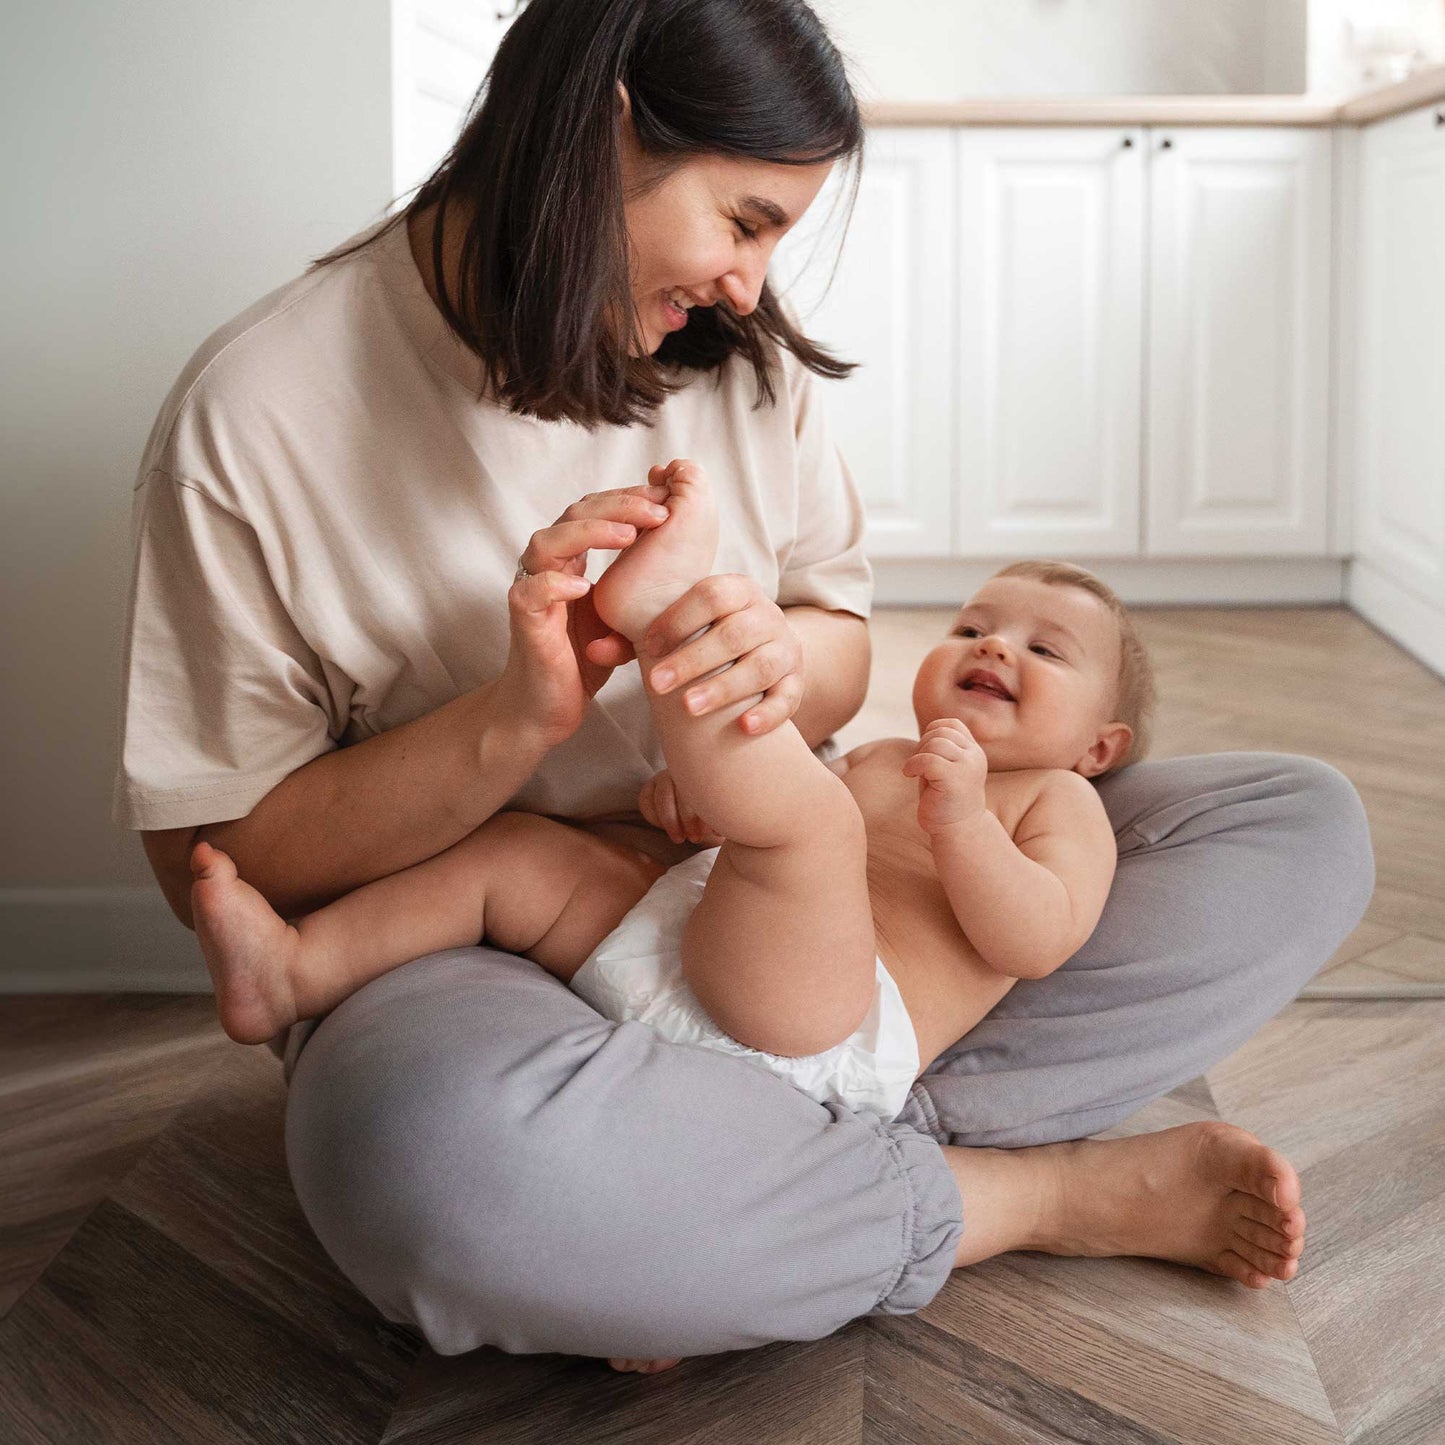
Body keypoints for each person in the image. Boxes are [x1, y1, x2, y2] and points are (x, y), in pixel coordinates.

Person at [113, 0, 1373, 1374]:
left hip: (786, 924)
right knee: (441, 1176)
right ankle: (1011, 1194)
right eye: (749, 220)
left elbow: (838, 635)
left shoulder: (728, 356)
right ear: (602, 134)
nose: (753, 288)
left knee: (1295, 825)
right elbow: (221, 861)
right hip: (498, 961)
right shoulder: (259, 413)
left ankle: (711, 1205)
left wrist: (782, 659)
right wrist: (508, 724)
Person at [189, 479, 1166, 1142]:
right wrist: (700, 806)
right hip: (692, 952)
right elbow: (766, 858)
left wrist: (960, 823)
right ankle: (293, 971)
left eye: (1044, 651)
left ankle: (668, 614)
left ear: (1098, 745)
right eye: (973, 626)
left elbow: (1033, 937)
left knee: (808, 828)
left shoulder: (1057, 798)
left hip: (823, 1029)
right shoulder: (879, 753)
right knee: (522, 855)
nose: (994, 647)